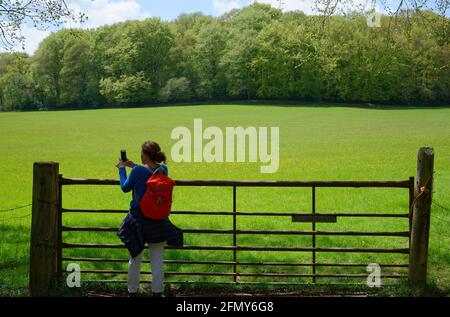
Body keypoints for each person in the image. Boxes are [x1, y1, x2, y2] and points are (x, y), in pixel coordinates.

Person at [116, 140, 183, 297]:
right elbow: (150, 175)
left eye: (142, 153)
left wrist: (121, 169)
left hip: (138, 219)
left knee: (135, 258)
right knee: (157, 259)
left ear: (145, 155)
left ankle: (132, 291)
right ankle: (157, 292)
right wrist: (134, 165)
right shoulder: (163, 169)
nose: (140, 155)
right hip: (158, 220)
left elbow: (125, 187)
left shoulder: (137, 171)